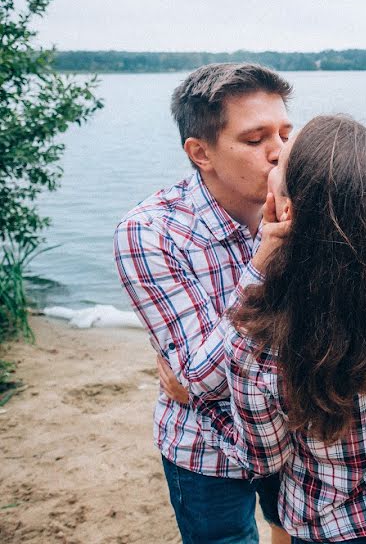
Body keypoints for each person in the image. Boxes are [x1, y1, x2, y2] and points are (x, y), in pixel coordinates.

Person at [184, 115, 366, 543]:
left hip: (332, 524)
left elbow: (263, 457)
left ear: (286, 210)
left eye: (281, 157)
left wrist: (259, 266)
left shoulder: (260, 345)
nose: (272, 155)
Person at [113, 63, 294, 544]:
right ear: (200, 152)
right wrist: (267, 257)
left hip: (289, 433)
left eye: (284, 133)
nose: (279, 153)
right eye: (255, 140)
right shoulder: (150, 232)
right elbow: (201, 378)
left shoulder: (304, 205)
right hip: (205, 448)